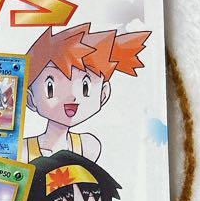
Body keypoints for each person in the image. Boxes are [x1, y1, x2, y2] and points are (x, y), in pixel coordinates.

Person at [21, 22, 150, 162]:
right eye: (50, 87)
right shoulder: (22, 151)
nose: (72, 96)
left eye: (85, 87)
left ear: (103, 94)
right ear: (30, 99)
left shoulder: (88, 147)